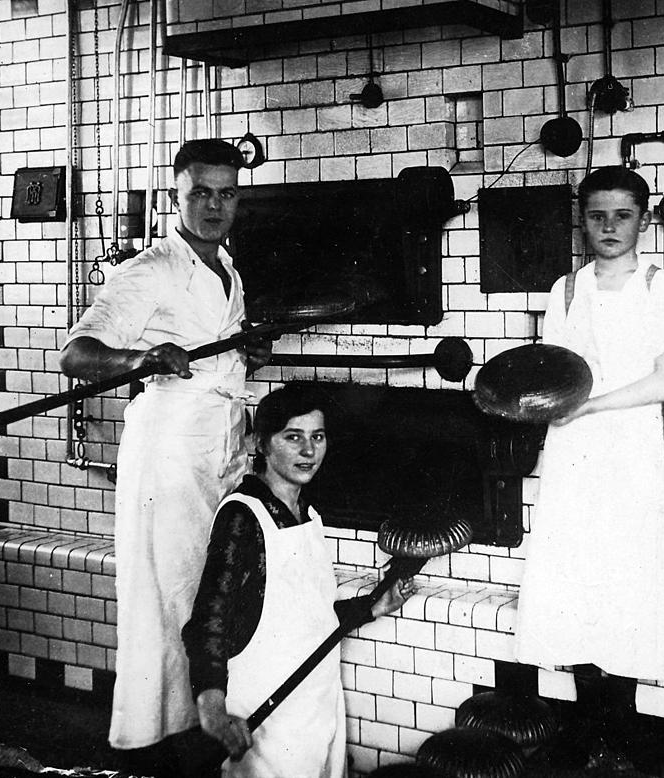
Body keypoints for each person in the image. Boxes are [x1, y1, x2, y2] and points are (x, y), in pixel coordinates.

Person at [60, 139, 271, 771]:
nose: (214, 205)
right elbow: (76, 354)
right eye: (200, 193)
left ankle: (198, 726)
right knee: (175, 593)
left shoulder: (226, 267)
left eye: (226, 193)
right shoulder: (149, 269)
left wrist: (242, 355)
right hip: (169, 453)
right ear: (173, 197)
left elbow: (212, 348)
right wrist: (141, 359)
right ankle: (166, 742)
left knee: (207, 588)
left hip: (219, 444)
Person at [513, 166, 664, 766]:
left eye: (622, 214)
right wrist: (545, 407)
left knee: (626, 575)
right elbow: (552, 374)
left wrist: (588, 404)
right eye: (596, 215)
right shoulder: (565, 289)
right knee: (577, 574)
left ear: (643, 218)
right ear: (581, 220)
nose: (609, 227)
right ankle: (585, 726)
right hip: (572, 454)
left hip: (629, 450)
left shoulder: (662, 285)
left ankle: (621, 726)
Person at [182, 383, 414, 777]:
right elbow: (209, 620)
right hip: (267, 713)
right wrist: (212, 709)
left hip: (317, 701)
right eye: (293, 437)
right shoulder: (244, 516)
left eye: (317, 437)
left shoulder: (307, 514)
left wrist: (372, 607)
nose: (309, 451)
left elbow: (305, 619)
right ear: (260, 442)